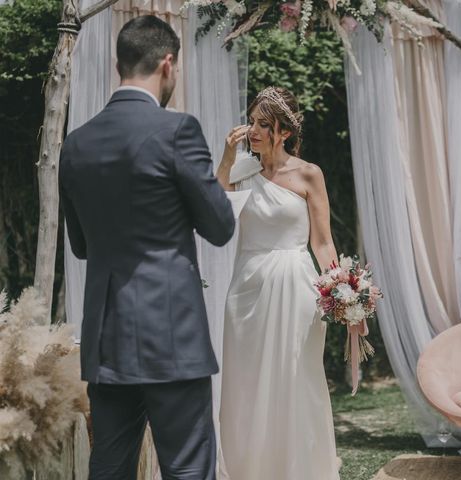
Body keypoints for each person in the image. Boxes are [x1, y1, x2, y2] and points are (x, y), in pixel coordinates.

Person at [59, 15, 235, 480]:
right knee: (188, 469)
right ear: (168, 63)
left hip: (107, 338)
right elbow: (219, 226)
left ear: (120, 64)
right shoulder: (177, 131)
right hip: (172, 334)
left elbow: (80, 245)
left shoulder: (75, 144)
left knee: (110, 468)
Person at [217, 87, 341, 479]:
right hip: (247, 289)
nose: (252, 130)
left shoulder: (308, 174)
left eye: (262, 124)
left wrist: (343, 292)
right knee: (246, 385)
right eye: (251, 121)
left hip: (296, 288)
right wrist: (226, 157)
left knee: (295, 380)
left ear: (283, 132)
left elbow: (322, 242)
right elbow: (216, 207)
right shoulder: (242, 171)